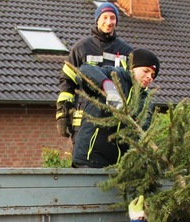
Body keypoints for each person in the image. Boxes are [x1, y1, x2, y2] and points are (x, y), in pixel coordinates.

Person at [56, 2, 133, 140]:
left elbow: (134, 88)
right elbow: (67, 82)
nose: (109, 22)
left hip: (115, 123)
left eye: (112, 18)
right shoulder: (81, 48)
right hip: (84, 121)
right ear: (97, 20)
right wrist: (63, 114)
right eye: (105, 17)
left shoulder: (126, 52)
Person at [71, 48, 159, 168]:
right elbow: (85, 70)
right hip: (90, 159)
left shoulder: (146, 101)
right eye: (146, 71)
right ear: (132, 67)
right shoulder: (114, 75)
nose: (149, 77)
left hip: (118, 167)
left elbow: (141, 135)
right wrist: (108, 87)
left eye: (153, 75)